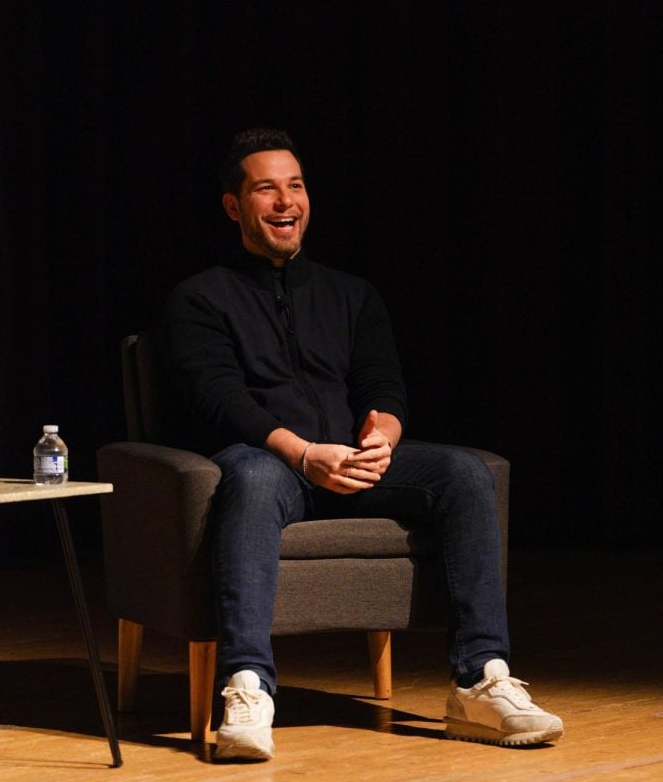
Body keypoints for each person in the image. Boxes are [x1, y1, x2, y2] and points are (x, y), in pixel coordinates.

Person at [160, 127, 563, 761]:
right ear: (234, 206)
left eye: (295, 186)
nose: (285, 201)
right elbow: (221, 399)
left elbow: (384, 384)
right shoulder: (199, 298)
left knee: (462, 473)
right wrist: (300, 453)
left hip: (352, 462)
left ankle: (480, 680)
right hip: (272, 464)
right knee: (252, 476)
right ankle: (247, 687)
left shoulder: (351, 294)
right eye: (266, 189)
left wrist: (382, 435)